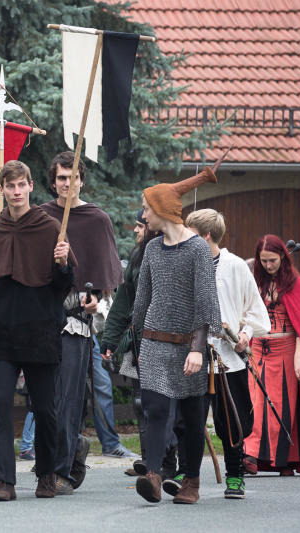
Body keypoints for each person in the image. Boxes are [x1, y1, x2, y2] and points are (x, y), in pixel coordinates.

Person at [0, 160, 74, 501]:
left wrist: (63, 263)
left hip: (41, 330)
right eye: (9, 186)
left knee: (44, 408)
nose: (15, 191)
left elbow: (62, 288)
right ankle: (6, 482)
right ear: (2, 190)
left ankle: (46, 474)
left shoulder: (51, 228)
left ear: (31, 187)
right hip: (0, 332)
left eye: (21, 185)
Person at [39, 152, 130, 495]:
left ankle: (60, 469)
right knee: (44, 399)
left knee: (70, 399)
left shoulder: (97, 219)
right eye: (61, 177)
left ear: (81, 181)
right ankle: (62, 452)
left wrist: (97, 305)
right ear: (53, 182)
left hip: (77, 321)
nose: (67, 183)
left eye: (72, 177)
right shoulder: (42, 217)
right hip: (43, 321)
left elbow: (107, 284)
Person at [131, 168, 222, 504]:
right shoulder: (153, 249)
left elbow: (206, 301)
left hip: (188, 346)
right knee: (154, 409)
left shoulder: (198, 248)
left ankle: (191, 482)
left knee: (191, 418)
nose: (143, 215)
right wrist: (137, 342)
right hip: (154, 343)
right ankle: (153, 475)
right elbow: (142, 299)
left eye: (147, 208)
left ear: (163, 210)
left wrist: (198, 348)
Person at [183, 209, 270, 499]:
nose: (184, 237)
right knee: (188, 418)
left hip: (227, 359)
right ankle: (187, 474)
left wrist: (245, 333)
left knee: (231, 422)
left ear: (206, 235)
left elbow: (257, 313)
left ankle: (235, 476)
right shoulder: (185, 263)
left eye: (191, 232)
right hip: (192, 355)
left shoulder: (234, 266)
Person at [243, 235, 300, 476]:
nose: (268, 265)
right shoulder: (255, 280)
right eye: (264, 261)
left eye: (273, 261)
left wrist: (299, 357)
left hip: (287, 351)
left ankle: (285, 461)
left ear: (282, 258)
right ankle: (250, 454)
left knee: (283, 407)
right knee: (255, 404)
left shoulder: (296, 283)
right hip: (257, 350)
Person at [101, 210, 162, 477]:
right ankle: (149, 459)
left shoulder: (164, 253)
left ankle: (163, 462)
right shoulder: (138, 257)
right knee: (140, 401)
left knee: (160, 403)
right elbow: (122, 303)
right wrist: (110, 341)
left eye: (141, 226)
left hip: (163, 342)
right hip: (137, 341)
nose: (136, 231)